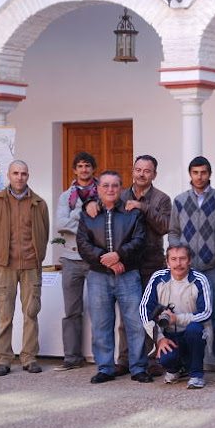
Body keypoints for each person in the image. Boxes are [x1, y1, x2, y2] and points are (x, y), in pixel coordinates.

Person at [88, 155, 171, 377]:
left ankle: (153, 359)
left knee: (151, 313)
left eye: (147, 170)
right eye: (138, 169)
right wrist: (90, 205)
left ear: (154, 174)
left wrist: (142, 207)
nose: (142, 174)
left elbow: (164, 226)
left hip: (152, 262)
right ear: (132, 171)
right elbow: (103, 211)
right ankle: (125, 359)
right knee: (128, 316)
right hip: (126, 263)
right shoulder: (121, 194)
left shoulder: (162, 199)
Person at [77, 170, 151, 384]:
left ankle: (138, 367)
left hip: (128, 275)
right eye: (106, 185)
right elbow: (83, 243)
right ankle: (106, 368)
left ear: (121, 188)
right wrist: (105, 258)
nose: (110, 189)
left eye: (115, 185)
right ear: (98, 188)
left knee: (135, 323)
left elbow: (139, 241)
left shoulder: (132, 212)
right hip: (98, 276)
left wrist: (119, 256)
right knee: (101, 323)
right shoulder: (88, 213)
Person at [169, 156, 215, 378]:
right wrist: (177, 253)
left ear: (209, 174)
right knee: (186, 315)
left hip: (212, 266)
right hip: (187, 270)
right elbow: (173, 231)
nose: (200, 176)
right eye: (195, 172)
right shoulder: (179, 200)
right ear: (190, 174)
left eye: (204, 172)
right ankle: (186, 362)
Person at [0, 160, 49, 376]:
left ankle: (29, 357)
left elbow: (44, 233)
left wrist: (37, 255)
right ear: (9, 176)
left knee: (31, 313)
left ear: (28, 176)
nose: (20, 177)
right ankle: (4, 358)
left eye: (24, 173)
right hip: (5, 267)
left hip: (31, 266)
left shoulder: (39, 203)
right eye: (16, 173)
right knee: (5, 314)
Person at [140, 243, 212, 389]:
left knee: (195, 329)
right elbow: (144, 310)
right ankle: (175, 370)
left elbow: (206, 312)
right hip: (169, 334)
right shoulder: (158, 278)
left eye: (182, 259)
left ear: (190, 260)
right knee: (167, 358)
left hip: (192, 333)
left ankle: (197, 374)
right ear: (167, 262)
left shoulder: (199, 279)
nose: (178, 263)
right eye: (173, 259)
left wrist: (177, 318)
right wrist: (159, 339)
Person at [53, 152, 98, 371]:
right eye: (79, 166)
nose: (83, 170)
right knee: (72, 311)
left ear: (93, 169)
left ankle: (102, 358)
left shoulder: (102, 192)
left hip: (95, 258)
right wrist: (85, 218)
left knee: (100, 310)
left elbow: (102, 221)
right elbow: (60, 223)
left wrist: (74, 217)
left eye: (87, 166)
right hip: (70, 258)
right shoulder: (66, 197)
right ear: (74, 170)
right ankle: (72, 357)